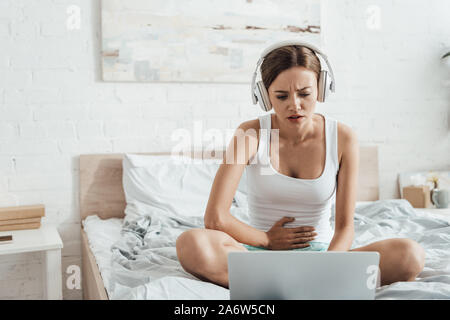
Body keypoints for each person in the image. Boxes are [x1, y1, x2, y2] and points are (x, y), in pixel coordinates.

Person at [176, 42, 425, 289]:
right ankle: (307, 287)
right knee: (191, 244)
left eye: (305, 94)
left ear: (321, 89)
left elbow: (345, 227)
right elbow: (215, 217)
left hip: (324, 256)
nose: (294, 105)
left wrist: (328, 263)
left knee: (409, 255)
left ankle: (278, 285)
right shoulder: (250, 133)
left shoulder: (343, 138)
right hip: (257, 253)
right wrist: (266, 240)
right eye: (281, 96)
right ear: (264, 96)